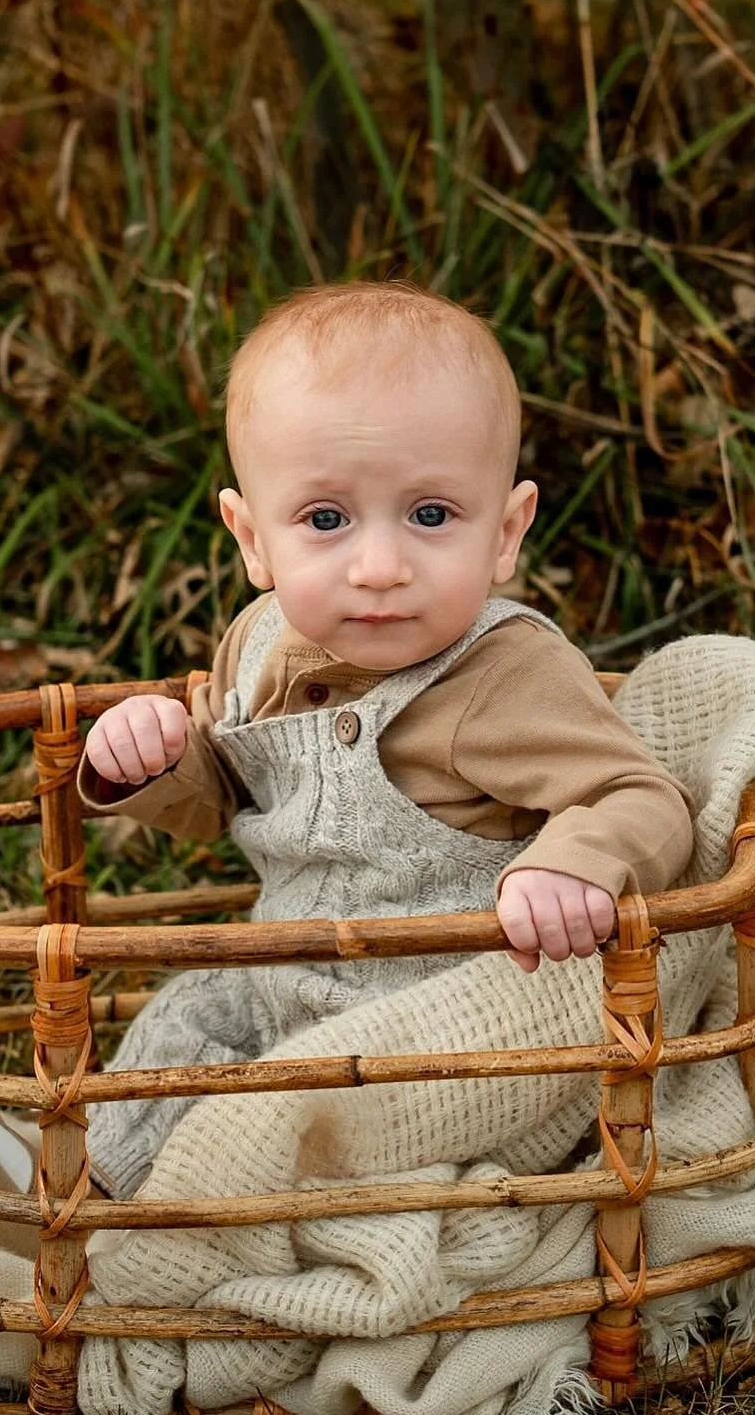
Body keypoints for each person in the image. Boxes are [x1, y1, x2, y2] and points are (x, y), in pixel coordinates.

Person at [73, 279, 695, 1199]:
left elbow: (644, 797)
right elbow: (229, 797)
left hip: (432, 1028)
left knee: (281, 1128)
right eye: (325, 521)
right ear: (252, 539)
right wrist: (156, 757)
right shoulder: (256, 642)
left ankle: (193, 1230)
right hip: (285, 974)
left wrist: (577, 862)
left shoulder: (506, 676)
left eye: (431, 515)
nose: (379, 567)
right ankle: (88, 1190)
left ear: (506, 531)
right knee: (179, 1028)